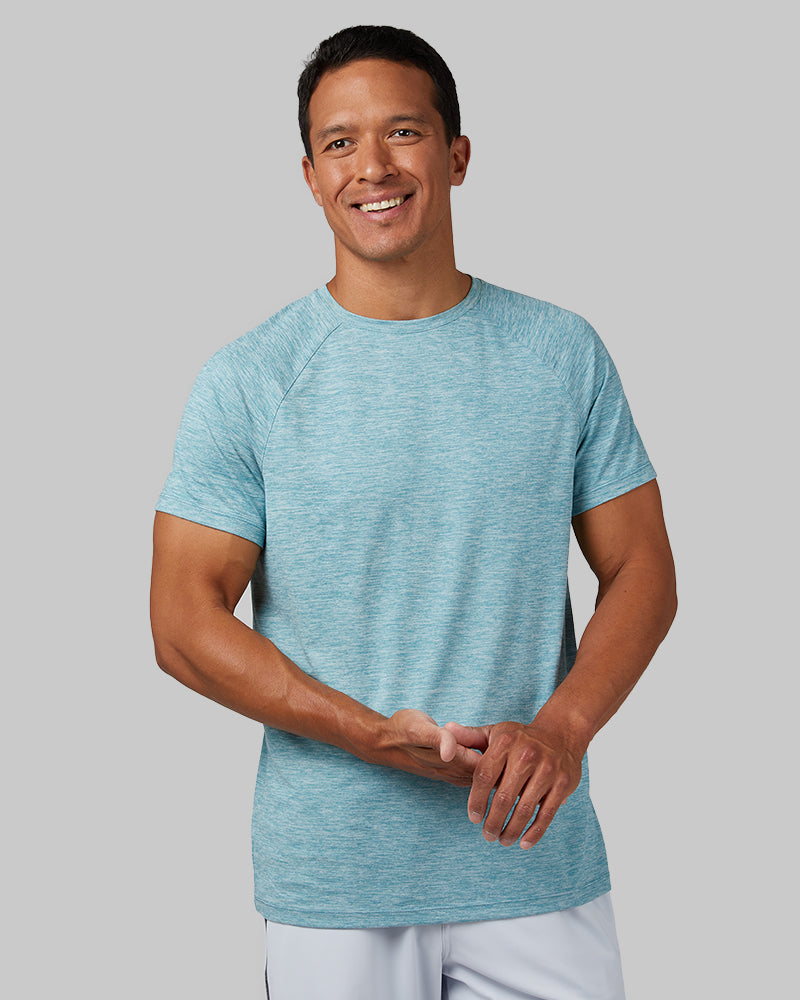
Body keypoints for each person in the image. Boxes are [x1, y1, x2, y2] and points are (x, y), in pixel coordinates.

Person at [150, 24, 676, 1000]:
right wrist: (366, 734)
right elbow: (181, 623)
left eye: (402, 132)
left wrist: (561, 730)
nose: (374, 167)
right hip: (336, 877)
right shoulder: (250, 378)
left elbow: (641, 567)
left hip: (532, 861)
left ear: (456, 155)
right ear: (310, 177)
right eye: (339, 143)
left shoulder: (559, 352)